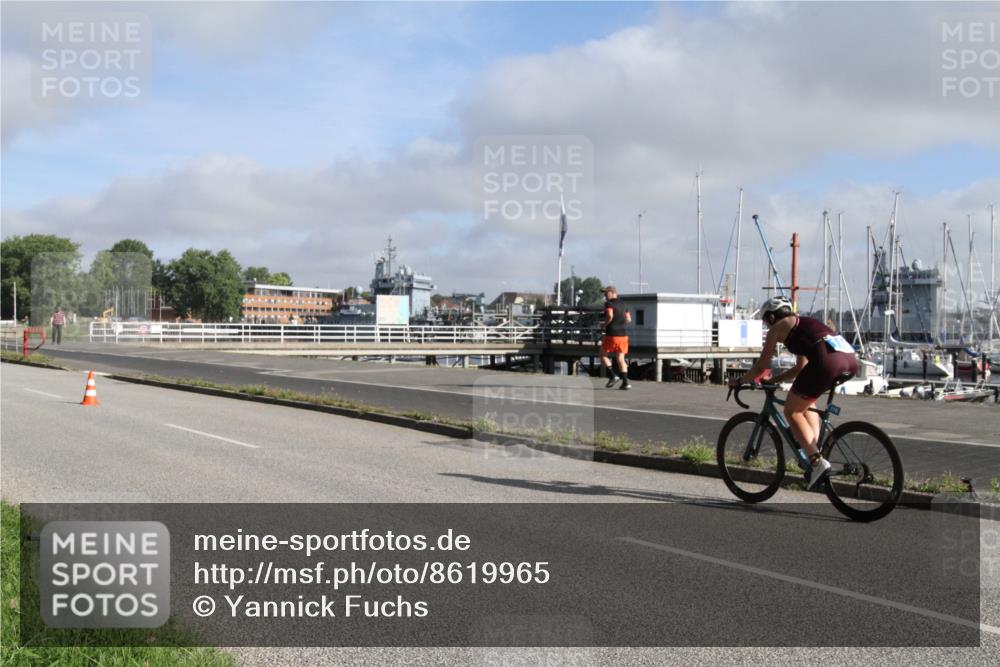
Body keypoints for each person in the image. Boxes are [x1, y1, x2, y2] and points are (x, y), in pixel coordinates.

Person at [730, 296, 858, 489]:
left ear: (772, 317)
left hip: (827, 362)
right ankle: (813, 450)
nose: (767, 325)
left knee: (792, 411)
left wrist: (739, 381)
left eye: (765, 320)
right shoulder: (802, 325)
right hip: (849, 360)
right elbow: (800, 368)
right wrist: (773, 380)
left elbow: (760, 367)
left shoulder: (777, 327)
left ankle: (817, 462)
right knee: (806, 403)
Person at [600, 285, 632, 390]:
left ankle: (613, 375)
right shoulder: (624, 304)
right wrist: (621, 324)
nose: (605, 295)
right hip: (623, 335)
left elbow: (610, 315)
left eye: (606, 293)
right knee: (621, 359)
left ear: (612, 292)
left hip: (612, 334)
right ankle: (626, 383)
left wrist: (604, 325)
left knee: (603, 355)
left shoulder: (608, 304)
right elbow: (629, 319)